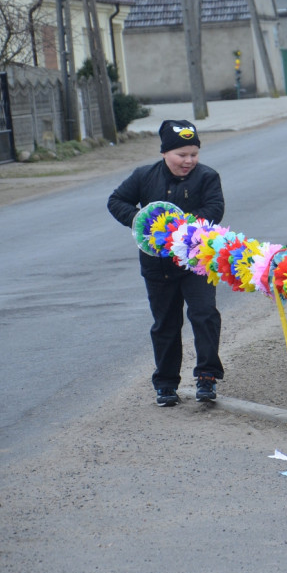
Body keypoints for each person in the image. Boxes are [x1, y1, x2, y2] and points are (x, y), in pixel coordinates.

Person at [108, 120, 226, 406]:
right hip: (157, 266)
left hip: (197, 261)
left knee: (204, 314)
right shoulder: (144, 176)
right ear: (165, 153)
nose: (188, 161)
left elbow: (214, 210)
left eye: (193, 154)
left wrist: (179, 227)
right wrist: (141, 220)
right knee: (166, 324)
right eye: (181, 155)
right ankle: (165, 383)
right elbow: (116, 201)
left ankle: (207, 377)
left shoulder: (207, 177)